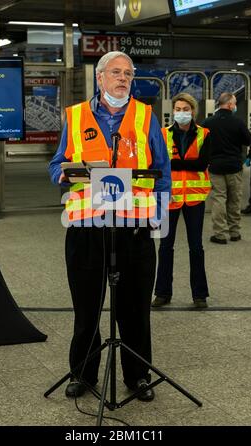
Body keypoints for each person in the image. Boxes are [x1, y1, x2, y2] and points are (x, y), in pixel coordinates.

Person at [49, 51, 171, 401]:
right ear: (99, 77)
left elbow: (161, 171)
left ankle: (138, 376)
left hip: (134, 228)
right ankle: (83, 374)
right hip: (87, 227)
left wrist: (158, 218)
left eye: (128, 74)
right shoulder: (75, 117)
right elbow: (57, 163)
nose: (123, 79)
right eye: (116, 72)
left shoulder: (146, 117)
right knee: (86, 307)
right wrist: (63, 172)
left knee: (135, 308)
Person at [151, 93, 211, 309]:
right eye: (178, 108)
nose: (181, 112)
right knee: (165, 246)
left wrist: (174, 163)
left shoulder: (205, 134)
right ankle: (162, 293)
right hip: (169, 198)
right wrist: (185, 163)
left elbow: (202, 164)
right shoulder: (162, 134)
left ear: (193, 111)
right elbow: (158, 164)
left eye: (185, 108)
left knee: (196, 247)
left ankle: (200, 295)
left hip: (195, 199)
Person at [202, 92, 251, 244]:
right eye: (234, 103)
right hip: (234, 167)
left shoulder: (208, 122)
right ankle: (235, 232)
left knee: (219, 199)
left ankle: (220, 235)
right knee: (234, 199)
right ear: (230, 105)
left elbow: (201, 143)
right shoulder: (238, 122)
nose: (235, 106)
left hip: (215, 167)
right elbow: (248, 141)